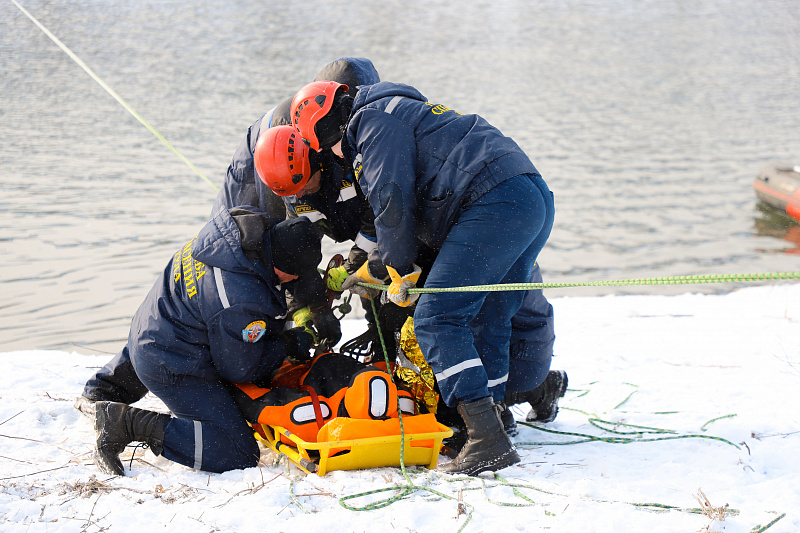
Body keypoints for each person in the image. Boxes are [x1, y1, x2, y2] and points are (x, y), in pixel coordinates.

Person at [76, 58, 375, 415]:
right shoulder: (294, 137)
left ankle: (254, 359)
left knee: (262, 289)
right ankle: (109, 386)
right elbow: (295, 241)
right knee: (214, 290)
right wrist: (311, 306)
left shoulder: (350, 127)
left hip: (298, 183)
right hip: (261, 181)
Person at [289, 80, 557, 476]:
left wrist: (396, 270)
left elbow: (392, 200)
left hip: (492, 199)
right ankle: (493, 421)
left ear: (325, 127)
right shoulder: (393, 108)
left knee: (436, 319)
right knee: (490, 315)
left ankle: (488, 438)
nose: (329, 153)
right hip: (529, 194)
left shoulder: (370, 123)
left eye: (323, 142)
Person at [93, 208, 324, 475]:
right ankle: (127, 423)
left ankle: (101, 392)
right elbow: (239, 369)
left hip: (153, 326)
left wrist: (314, 304)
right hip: (172, 364)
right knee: (238, 452)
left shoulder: (243, 226)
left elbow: (293, 264)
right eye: (293, 275)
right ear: (279, 267)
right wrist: (287, 344)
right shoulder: (240, 299)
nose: (296, 280)